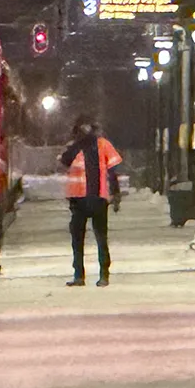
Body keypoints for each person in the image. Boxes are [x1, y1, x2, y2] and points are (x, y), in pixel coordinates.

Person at [59, 117, 121, 286]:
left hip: (87, 199)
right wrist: (116, 195)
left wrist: (115, 194)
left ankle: (86, 275)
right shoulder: (85, 146)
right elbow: (113, 172)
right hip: (90, 199)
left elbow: (112, 171)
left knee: (85, 238)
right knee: (98, 237)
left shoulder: (96, 145)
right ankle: (98, 275)